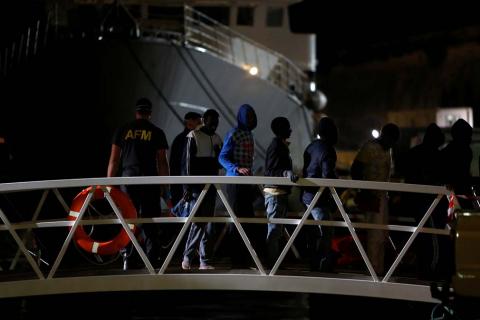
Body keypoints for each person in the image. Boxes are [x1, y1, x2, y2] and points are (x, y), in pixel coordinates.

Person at [107, 97, 170, 268]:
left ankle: (129, 258)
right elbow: (162, 162)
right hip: (150, 181)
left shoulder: (122, 130)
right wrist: (166, 188)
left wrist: (109, 187)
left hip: (128, 182)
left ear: (136, 112)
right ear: (150, 113)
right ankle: (152, 260)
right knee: (150, 220)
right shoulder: (157, 132)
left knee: (129, 220)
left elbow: (114, 161)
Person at [351, 123, 400, 275]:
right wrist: (363, 191)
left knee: (381, 235)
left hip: (382, 197)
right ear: (385, 136)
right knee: (375, 234)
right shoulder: (370, 148)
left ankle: (378, 268)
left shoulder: (388, 150)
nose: (393, 143)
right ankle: (373, 270)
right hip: (372, 197)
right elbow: (356, 170)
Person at [181, 109, 222, 270]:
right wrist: (187, 187)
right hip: (197, 187)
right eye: (212, 121)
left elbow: (220, 163)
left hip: (211, 186)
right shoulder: (193, 136)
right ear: (204, 120)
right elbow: (187, 164)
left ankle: (204, 260)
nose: (214, 125)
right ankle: (188, 256)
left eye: (216, 122)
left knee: (208, 223)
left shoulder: (217, 138)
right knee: (198, 222)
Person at [402, 123, 445, 279]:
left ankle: (421, 266)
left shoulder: (413, 153)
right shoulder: (437, 155)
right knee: (434, 237)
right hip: (430, 201)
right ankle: (432, 269)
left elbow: (406, 174)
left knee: (421, 234)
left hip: (416, 201)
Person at [219, 103, 257, 267]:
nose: (250, 119)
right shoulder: (233, 134)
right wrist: (236, 169)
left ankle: (245, 257)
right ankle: (236, 259)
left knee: (248, 219)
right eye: (247, 116)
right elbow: (222, 157)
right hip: (234, 182)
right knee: (237, 219)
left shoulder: (249, 134)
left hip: (246, 182)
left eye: (252, 116)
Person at [302, 117, 338, 272]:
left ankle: (313, 263)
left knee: (314, 233)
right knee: (326, 232)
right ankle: (322, 266)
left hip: (307, 197)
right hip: (320, 198)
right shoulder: (327, 149)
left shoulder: (310, 147)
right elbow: (327, 175)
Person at [264, 117, 299, 268]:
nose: (290, 130)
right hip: (275, 193)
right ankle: (272, 264)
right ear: (281, 129)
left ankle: (274, 263)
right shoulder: (276, 146)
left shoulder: (280, 145)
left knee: (277, 230)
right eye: (288, 127)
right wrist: (285, 172)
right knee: (274, 231)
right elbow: (270, 170)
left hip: (279, 193)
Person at [169, 112, 202, 206]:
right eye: (199, 122)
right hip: (187, 186)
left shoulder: (178, 139)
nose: (201, 125)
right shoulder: (191, 139)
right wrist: (186, 187)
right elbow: (184, 164)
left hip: (179, 184)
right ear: (190, 123)